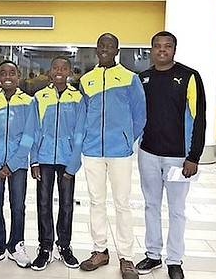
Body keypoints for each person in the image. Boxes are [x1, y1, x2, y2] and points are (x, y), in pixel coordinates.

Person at [135, 31, 206, 279]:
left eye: (167, 46)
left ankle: (174, 260)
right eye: (157, 46)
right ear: (151, 50)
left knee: (177, 210)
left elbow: (199, 118)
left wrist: (194, 156)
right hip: (148, 154)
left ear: (174, 50)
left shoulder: (189, 77)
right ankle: (153, 254)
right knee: (151, 206)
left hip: (178, 157)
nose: (162, 50)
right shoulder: (142, 78)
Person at [78, 33, 146, 279]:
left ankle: (126, 257)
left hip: (120, 152)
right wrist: (85, 140)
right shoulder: (87, 80)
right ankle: (100, 250)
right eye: (101, 45)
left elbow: (140, 114)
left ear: (117, 50)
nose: (105, 49)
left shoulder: (130, 78)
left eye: (110, 46)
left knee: (122, 204)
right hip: (93, 150)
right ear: (96, 49)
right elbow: (82, 114)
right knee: (96, 202)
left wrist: (128, 140)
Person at [29, 56, 86, 271]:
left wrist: (73, 163)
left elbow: (80, 133)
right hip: (43, 158)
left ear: (69, 72)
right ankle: (45, 247)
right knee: (43, 204)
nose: (60, 71)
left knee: (67, 205)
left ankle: (64, 246)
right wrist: (34, 160)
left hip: (66, 159)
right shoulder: (39, 97)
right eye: (56, 68)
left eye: (64, 68)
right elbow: (33, 131)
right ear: (50, 72)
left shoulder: (78, 98)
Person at [0, 60, 34, 269]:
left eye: (12, 72)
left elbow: (29, 135)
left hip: (18, 164)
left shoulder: (29, 102)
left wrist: (13, 163)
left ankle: (16, 246)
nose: (8, 76)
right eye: (3, 73)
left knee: (18, 206)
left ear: (18, 76)